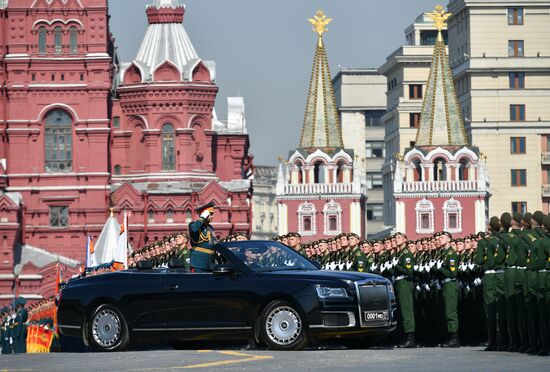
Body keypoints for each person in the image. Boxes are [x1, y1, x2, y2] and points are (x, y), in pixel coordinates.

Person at [393, 232, 416, 348]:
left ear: (405, 240)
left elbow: (409, 271)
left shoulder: (406, 254)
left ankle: (410, 338)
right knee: (402, 310)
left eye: (399, 238)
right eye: (395, 238)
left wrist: (396, 266)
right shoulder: (400, 253)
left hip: (404, 283)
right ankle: (404, 337)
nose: (396, 239)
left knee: (407, 310)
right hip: (398, 282)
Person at [438, 231, 460, 347]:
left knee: (451, 311)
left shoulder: (451, 254)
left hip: (450, 284)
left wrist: (440, 269)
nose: (439, 239)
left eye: (442, 237)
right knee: (447, 311)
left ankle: (454, 338)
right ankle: (450, 336)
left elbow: (453, 273)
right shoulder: (444, 253)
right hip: (446, 284)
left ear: (449, 240)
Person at [188, 202, 217, 272]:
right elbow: (194, 229)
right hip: (198, 263)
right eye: (210, 214)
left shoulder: (210, 227)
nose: (212, 216)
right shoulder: (194, 225)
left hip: (209, 262)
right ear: (205, 214)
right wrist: (202, 217)